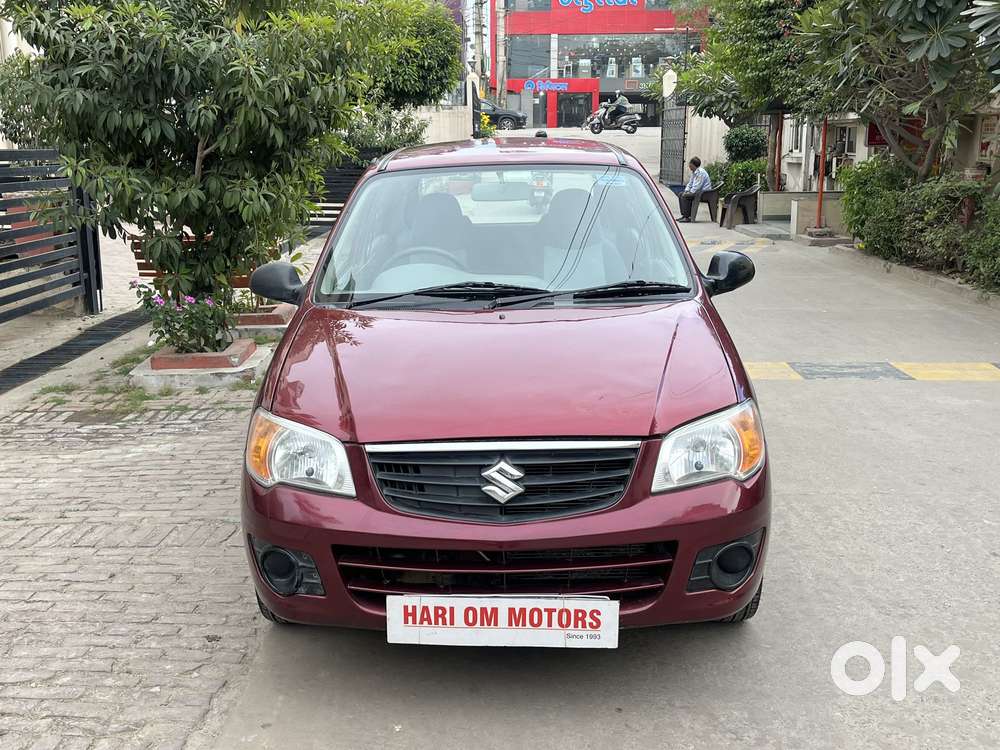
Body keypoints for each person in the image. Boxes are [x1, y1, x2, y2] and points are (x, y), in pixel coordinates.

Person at [678, 157, 712, 223]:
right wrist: (686, 190)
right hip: (697, 192)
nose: (689, 166)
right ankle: (684, 215)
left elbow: (697, 186)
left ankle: (687, 217)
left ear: (693, 165)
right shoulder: (694, 172)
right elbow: (690, 183)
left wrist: (689, 192)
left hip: (703, 193)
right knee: (680, 194)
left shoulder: (700, 173)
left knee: (685, 196)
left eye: (690, 165)